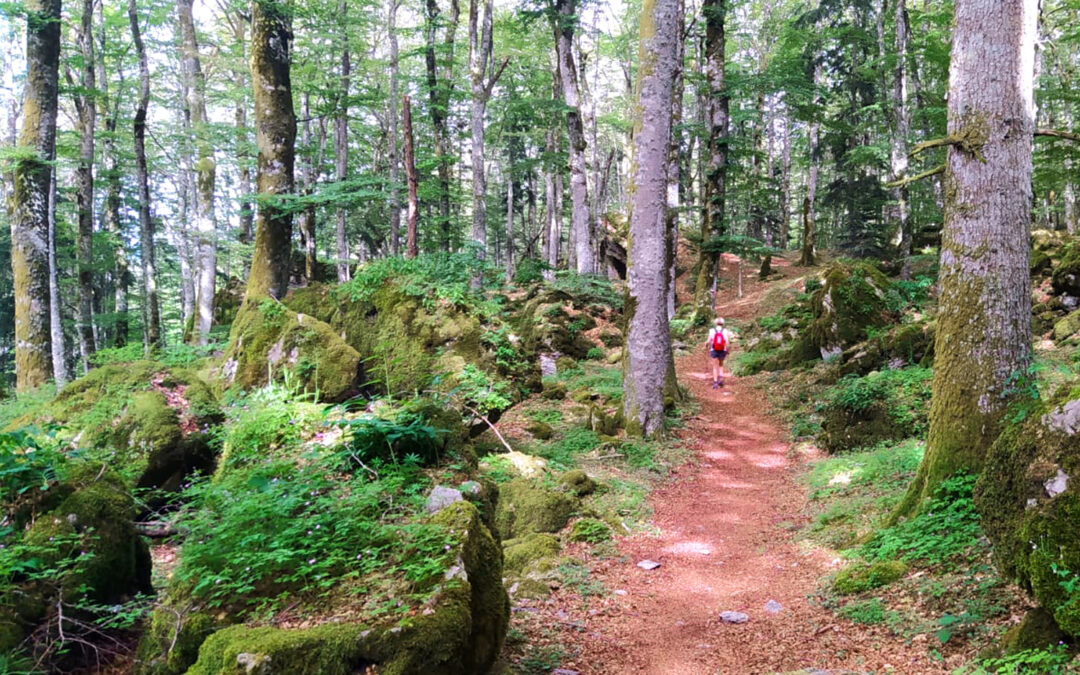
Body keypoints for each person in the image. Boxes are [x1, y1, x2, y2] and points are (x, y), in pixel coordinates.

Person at [706, 317, 733, 389]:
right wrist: (727, 350)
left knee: (715, 366)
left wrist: (706, 345)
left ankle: (715, 383)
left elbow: (708, 341)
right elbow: (727, 342)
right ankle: (721, 379)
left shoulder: (711, 330)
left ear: (715, 323)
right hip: (722, 349)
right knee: (721, 365)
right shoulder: (725, 331)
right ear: (723, 323)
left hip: (714, 349)